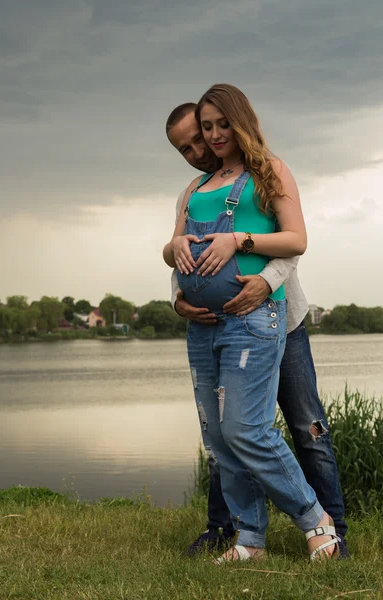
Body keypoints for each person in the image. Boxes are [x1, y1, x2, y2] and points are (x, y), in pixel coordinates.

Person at [163, 83, 343, 562]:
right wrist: (179, 295)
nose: (207, 142)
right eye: (199, 136)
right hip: (206, 327)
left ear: (241, 121)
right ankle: (245, 537)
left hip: (271, 320)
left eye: (219, 127)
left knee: (294, 427)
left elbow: (292, 243)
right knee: (221, 437)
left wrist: (244, 250)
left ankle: (326, 524)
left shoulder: (267, 171)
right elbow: (180, 254)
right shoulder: (195, 190)